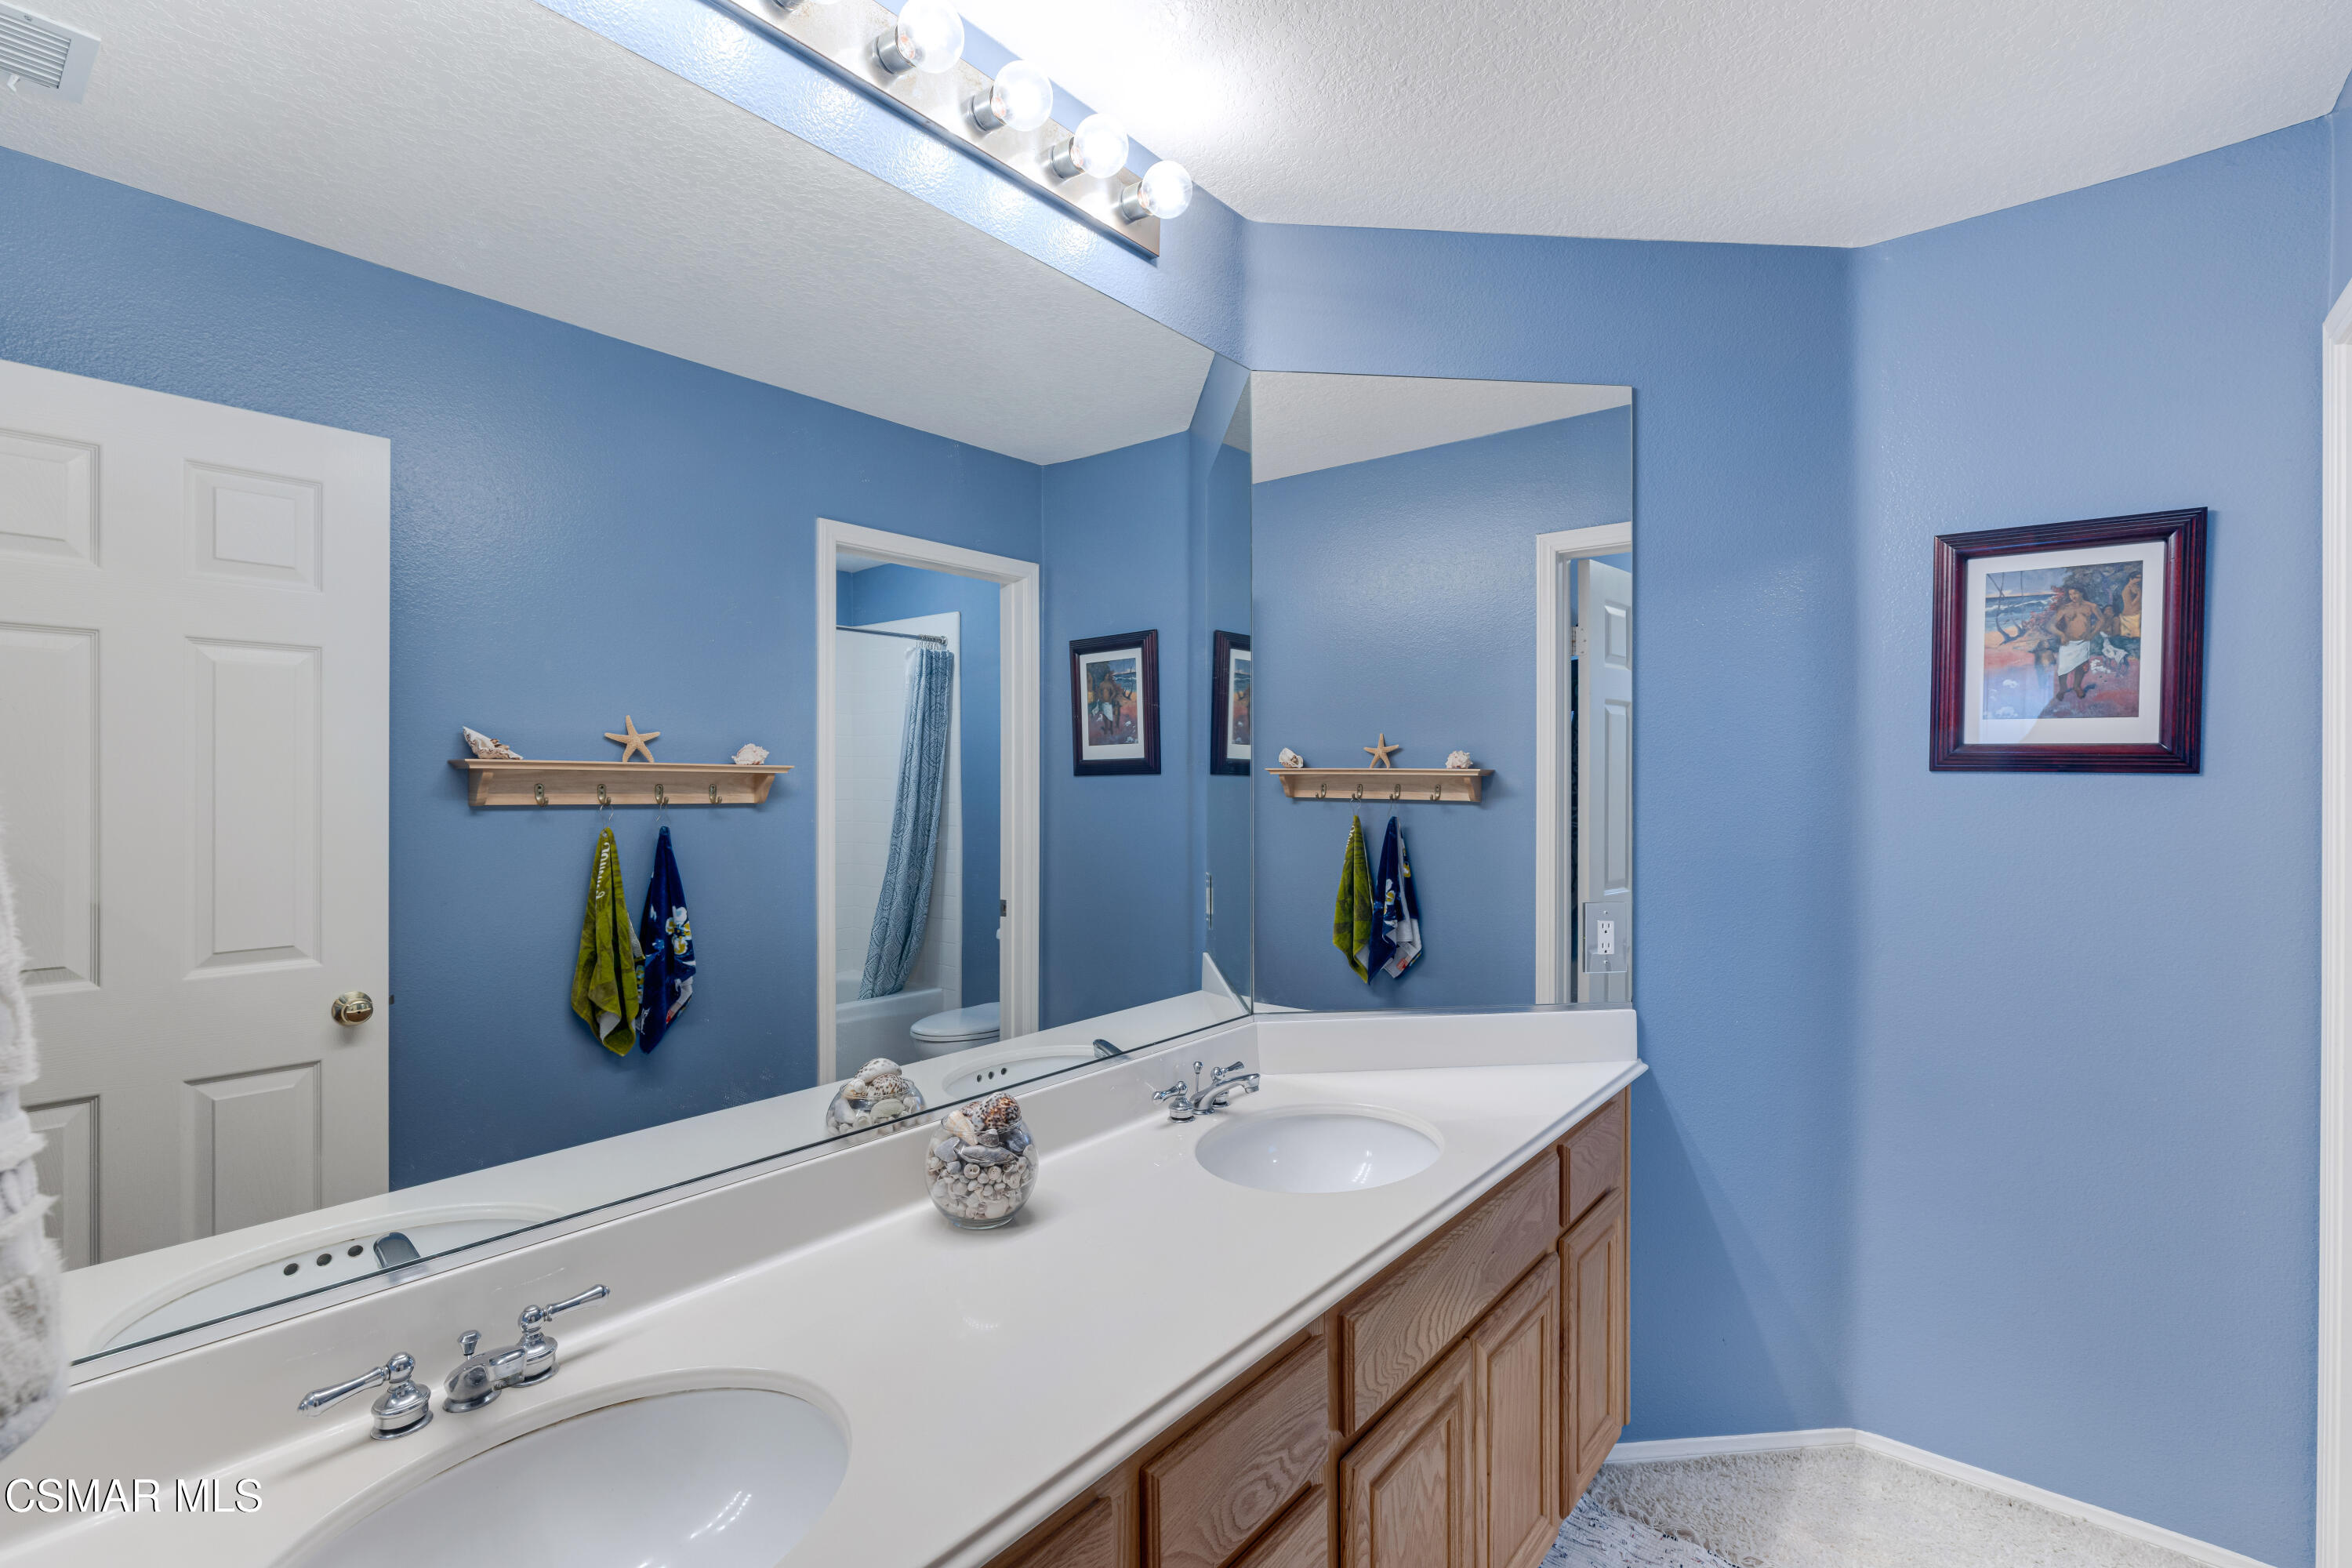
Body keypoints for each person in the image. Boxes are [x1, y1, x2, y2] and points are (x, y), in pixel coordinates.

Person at [2046, 586, 2105, 706]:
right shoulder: (2065, 608)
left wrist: (2093, 633)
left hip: (2083, 642)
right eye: (2070, 594)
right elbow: (2050, 625)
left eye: (2075, 593)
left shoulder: (2091, 606)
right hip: (2068, 643)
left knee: (2081, 666)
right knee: (2063, 668)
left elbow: (2102, 620)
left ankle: (2077, 687)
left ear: (2082, 593)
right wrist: (2061, 634)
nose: (2073, 596)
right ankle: (2063, 689)